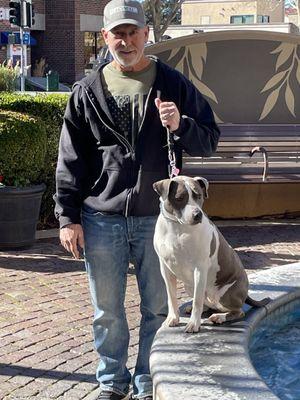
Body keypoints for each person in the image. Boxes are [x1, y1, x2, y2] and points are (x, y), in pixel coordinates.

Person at [54, 1, 220, 399]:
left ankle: (149, 381)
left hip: (159, 220)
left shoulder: (173, 84)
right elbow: (70, 159)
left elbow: (210, 138)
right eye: (117, 33)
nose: (125, 41)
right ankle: (112, 383)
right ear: (105, 37)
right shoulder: (86, 91)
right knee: (106, 313)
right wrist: (67, 217)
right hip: (101, 216)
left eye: (133, 32)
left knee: (160, 310)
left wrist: (181, 125)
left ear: (147, 35)